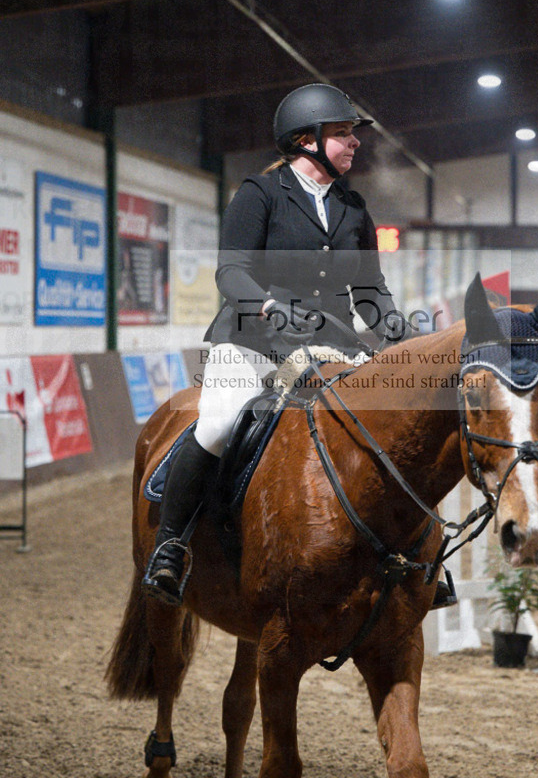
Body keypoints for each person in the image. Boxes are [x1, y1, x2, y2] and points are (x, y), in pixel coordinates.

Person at [142, 83, 407, 605]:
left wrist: (392, 322)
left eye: (353, 134)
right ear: (306, 139)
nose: (354, 143)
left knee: (390, 424)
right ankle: (171, 545)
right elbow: (231, 271)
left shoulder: (354, 209)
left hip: (329, 345)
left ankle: (406, 555)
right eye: (343, 133)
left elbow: (369, 290)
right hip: (252, 340)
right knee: (219, 422)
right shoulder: (259, 194)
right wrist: (268, 304)